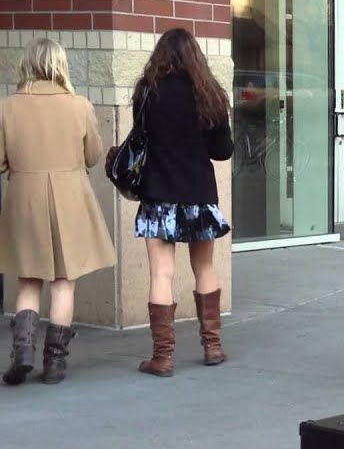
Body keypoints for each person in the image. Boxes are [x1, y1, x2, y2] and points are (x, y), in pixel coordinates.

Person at [0, 38, 115, 385]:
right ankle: (55, 364)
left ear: (27, 65)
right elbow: (93, 155)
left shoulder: (7, 107)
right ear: (60, 66)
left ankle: (22, 353)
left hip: (25, 197)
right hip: (70, 198)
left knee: (28, 278)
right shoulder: (79, 106)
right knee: (65, 280)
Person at [133, 28, 235, 377]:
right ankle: (213, 346)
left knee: (161, 273)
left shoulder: (147, 92)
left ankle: (162, 357)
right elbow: (223, 151)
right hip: (198, 195)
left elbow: (140, 138)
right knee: (204, 269)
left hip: (158, 192)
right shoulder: (210, 95)